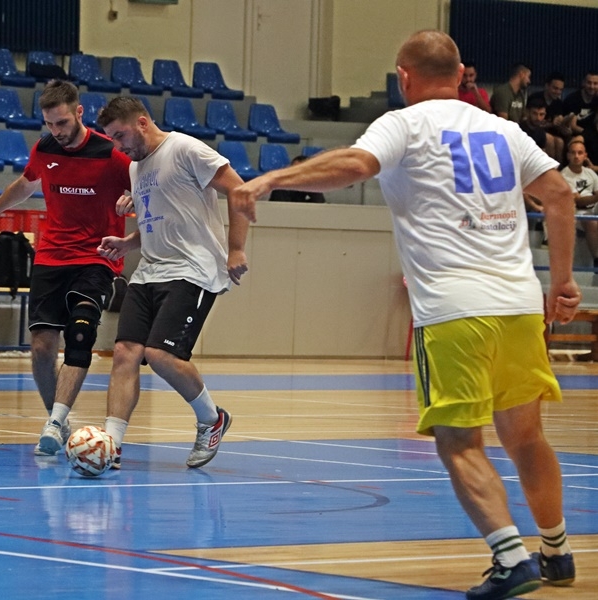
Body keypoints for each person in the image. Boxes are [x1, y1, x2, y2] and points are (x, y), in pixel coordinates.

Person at [231, 30, 579, 600]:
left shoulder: (406, 123)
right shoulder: (504, 128)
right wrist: (562, 281)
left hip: (455, 312)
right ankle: (556, 551)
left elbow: (354, 164)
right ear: (461, 74)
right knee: (526, 437)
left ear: (403, 77)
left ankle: (510, 557)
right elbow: (560, 195)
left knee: (459, 441)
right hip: (519, 306)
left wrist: (274, 177)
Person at [95, 97, 250, 469]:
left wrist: (236, 248)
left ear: (142, 122)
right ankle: (110, 445)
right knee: (124, 352)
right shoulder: (136, 167)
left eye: (120, 135)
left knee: (161, 355)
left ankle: (212, 419)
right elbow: (161, 220)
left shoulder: (184, 149)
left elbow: (239, 190)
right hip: (150, 270)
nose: (118, 145)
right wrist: (128, 243)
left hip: (192, 270)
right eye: (112, 138)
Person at [0, 79, 131, 456]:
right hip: (51, 257)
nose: (56, 131)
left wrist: (133, 197)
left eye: (62, 122)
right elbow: (26, 183)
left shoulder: (111, 154)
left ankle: (53, 421)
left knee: (80, 331)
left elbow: (145, 184)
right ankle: (58, 420)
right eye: (49, 124)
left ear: (79, 112)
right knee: (42, 349)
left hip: (96, 257)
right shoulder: (45, 148)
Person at [559, 139, 598, 270]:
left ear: (585, 155)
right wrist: (596, 198)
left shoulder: (590, 173)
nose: (576, 156)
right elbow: (578, 201)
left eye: (580, 153)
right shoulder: (563, 176)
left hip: (593, 207)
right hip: (576, 213)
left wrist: (595, 198)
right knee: (591, 221)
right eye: (573, 153)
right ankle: (597, 259)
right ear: (568, 155)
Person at [518, 96, 564, 161]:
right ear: (527, 112)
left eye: (541, 114)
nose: (538, 118)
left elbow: (543, 153)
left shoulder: (540, 131)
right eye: (534, 114)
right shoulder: (519, 130)